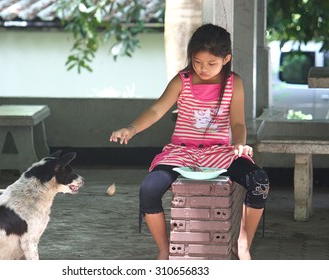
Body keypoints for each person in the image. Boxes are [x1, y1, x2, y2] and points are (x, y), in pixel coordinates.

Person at [109, 23, 270, 260]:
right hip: (181, 152)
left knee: (260, 182)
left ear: (226, 59)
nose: (203, 69)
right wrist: (131, 128)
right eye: (197, 62)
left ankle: (243, 244)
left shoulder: (234, 83)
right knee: (148, 190)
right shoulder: (181, 80)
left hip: (219, 151)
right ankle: (164, 250)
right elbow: (156, 110)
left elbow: (237, 123)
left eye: (211, 64)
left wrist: (239, 144)